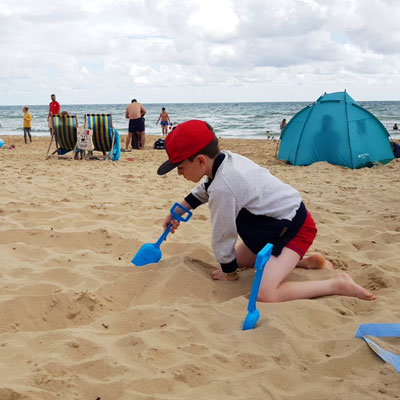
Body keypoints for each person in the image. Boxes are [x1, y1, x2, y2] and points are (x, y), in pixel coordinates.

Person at [156, 120, 375, 303]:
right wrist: (181, 209)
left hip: (293, 230)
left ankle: (336, 284)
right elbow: (206, 188)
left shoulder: (225, 187)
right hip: (270, 229)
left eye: (181, 167)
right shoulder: (226, 161)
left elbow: (223, 235)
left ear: (201, 160)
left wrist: (229, 273)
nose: (179, 173)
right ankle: (305, 262)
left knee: (265, 294)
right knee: (241, 261)